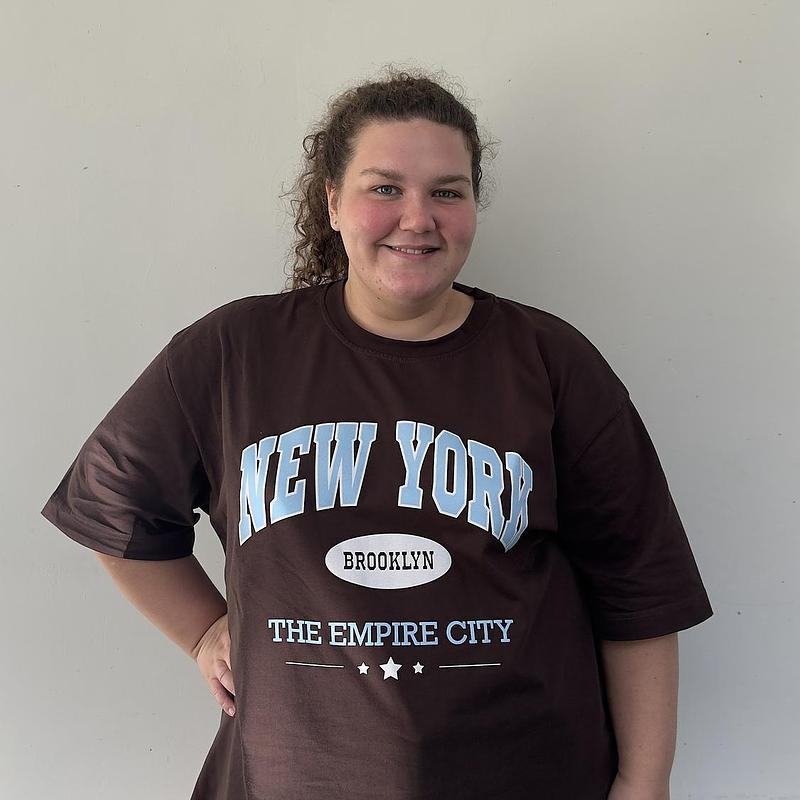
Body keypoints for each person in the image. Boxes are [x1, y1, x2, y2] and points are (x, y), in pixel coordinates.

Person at [41, 65, 712, 800]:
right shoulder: (234, 354)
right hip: (291, 776)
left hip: (526, 769)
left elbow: (638, 587)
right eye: (385, 188)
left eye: (447, 192)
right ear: (333, 201)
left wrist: (644, 781)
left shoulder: (552, 363)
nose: (417, 218)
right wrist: (203, 631)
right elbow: (113, 508)